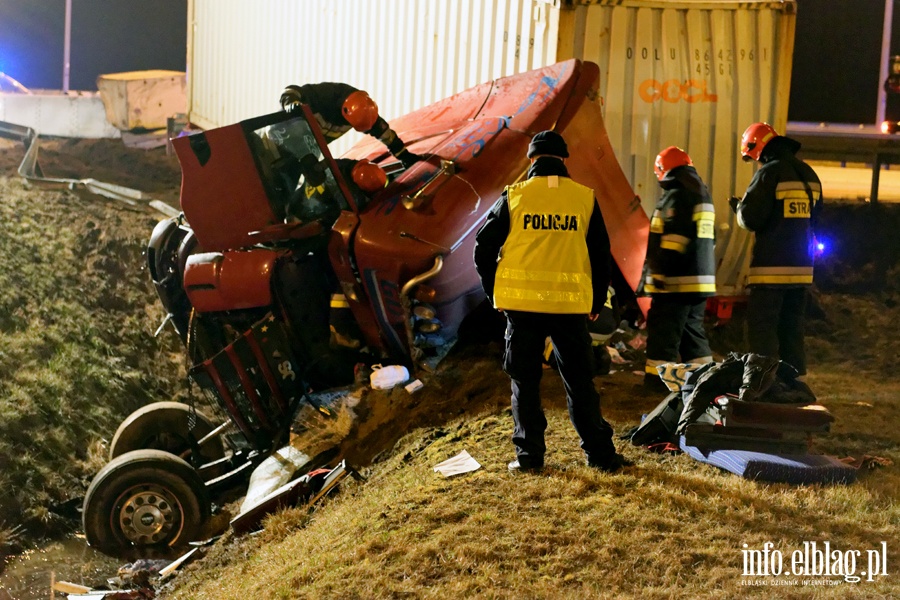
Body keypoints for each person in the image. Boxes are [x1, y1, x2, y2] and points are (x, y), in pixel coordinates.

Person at [473, 130, 628, 473]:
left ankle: (529, 459)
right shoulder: (583, 198)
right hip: (570, 308)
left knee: (525, 383)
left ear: (531, 160)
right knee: (579, 382)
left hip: (522, 307)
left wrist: (493, 292)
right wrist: (597, 300)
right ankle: (601, 456)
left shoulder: (514, 196)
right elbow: (601, 253)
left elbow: (482, 248)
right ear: (563, 159)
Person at [730, 122, 823, 378]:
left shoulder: (768, 173)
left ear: (757, 147)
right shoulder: (809, 173)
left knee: (762, 327)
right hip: (802, 271)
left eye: (754, 156)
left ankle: (763, 381)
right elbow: (816, 218)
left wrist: (738, 208)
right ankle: (791, 381)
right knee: (791, 327)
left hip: (770, 270)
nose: (756, 162)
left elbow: (751, 219)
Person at [640, 146, 716, 391]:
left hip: (676, 282)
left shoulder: (677, 195)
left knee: (664, 334)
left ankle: (657, 382)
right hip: (700, 282)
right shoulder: (700, 193)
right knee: (692, 334)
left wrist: (659, 273)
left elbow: (674, 240)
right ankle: (705, 381)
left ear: (663, 170)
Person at [279, 82, 422, 168]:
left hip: (303, 155)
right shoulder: (326, 95)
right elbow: (291, 91)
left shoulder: (365, 112)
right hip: (277, 141)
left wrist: (405, 157)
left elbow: (385, 134)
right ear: (345, 111)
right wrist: (291, 103)